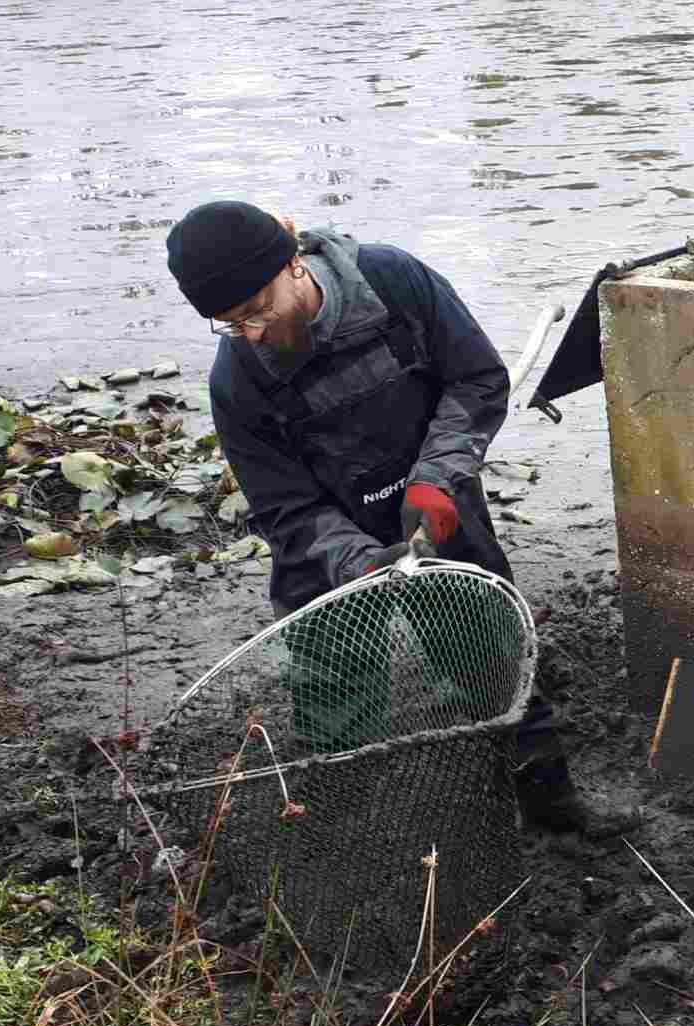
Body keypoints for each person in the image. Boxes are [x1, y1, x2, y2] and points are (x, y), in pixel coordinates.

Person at [163, 200, 606, 832]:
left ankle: (550, 803)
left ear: (292, 264)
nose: (252, 332)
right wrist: (362, 562)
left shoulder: (394, 282)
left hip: (437, 505)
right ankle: (341, 823)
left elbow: (478, 381)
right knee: (334, 697)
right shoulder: (238, 379)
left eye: (257, 310)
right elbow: (284, 508)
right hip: (328, 552)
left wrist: (437, 479)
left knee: (491, 658)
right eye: (231, 324)